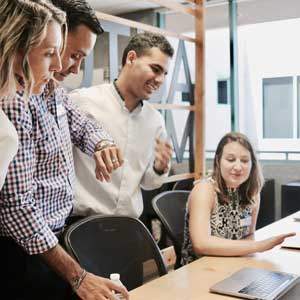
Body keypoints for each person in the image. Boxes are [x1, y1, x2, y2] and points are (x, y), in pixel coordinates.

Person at [0, 0, 128, 299]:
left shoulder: (51, 91)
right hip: (24, 251)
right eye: (62, 53)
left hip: (52, 239)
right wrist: (78, 276)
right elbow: (16, 206)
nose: (65, 66)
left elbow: (83, 124)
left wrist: (102, 143)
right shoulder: (14, 99)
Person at [70, 32, 174, 218]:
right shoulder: (82, 102)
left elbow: (149, 183)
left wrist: (159, 167)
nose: (160, 80)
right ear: (131, 58)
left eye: (164, 74)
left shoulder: (155, 120)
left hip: (129, 225)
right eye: (155, 69)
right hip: (81, 224)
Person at [181, 132, 295, 265]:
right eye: (230, 160)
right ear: (218, 161)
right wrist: (259, 246)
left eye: (245, 161)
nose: (238, 167)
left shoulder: (253, 193)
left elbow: (248, 236)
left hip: (234, 263)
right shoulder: (205, 190)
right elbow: (201, 244)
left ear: (252, 164)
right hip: (199, 268)